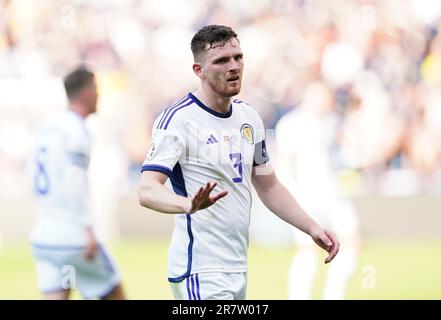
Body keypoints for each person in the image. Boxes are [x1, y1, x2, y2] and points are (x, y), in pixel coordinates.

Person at [138, 25, 340, 300]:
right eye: (222, 61)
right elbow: (147, 189)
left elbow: (269, 186)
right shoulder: (178, 120)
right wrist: (188, 205)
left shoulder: (249, 118)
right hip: (199, 268)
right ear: (199, 70)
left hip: (236, 266)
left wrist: (311, 227)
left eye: (238, 57)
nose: (234, 66)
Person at [29, 66, 126, 300]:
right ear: (85, 92)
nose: (99, 95)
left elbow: (31, 174)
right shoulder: (76, 130)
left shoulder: (47, 127)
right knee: (115, 293)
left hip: (44, 238)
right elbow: (74, 181)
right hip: (73, 238)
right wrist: (87, 227)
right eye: (96, 89)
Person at [275, 81, 360, 299]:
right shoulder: (291, 124)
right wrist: (291, 199)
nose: (324, 101)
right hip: (306, 198)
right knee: (306, 251)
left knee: (351, 243)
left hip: (335, 196)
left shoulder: (331, 123)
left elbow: (345, 154)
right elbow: (284, 164)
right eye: (320, 96)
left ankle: (334, 294)